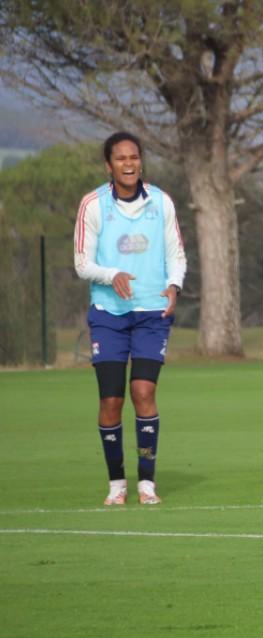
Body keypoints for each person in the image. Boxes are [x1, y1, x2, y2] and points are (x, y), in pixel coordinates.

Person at [73, 131, 187, 506]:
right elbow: (81, 263)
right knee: (110, 400)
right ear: (109, 165)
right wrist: (112, 275)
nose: (128, 164)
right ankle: (116, 483)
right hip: (109, 315)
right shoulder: (93, 204)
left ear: (141, 161)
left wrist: (174, 286)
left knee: (144, 392)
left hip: (152, 313)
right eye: (120, 159)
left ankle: (147, 483)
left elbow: (177, 255)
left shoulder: (162, 202)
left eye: (134, 157)